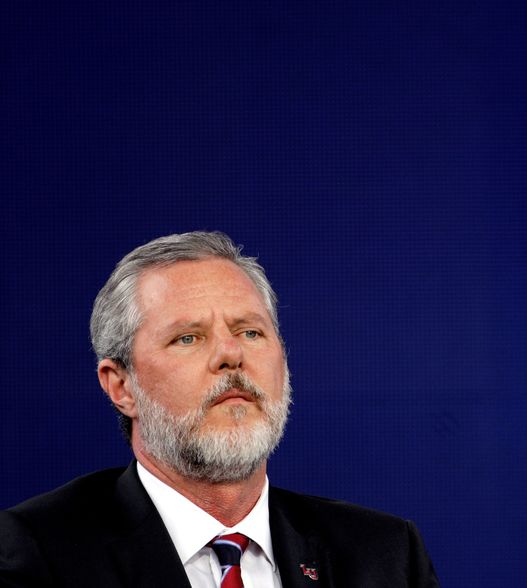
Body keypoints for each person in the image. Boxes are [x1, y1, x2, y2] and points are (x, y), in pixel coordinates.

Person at [0, 231, 439, 588]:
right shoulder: (39, 553)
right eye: (188, 338)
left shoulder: (386, 555)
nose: (231, 355)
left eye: (250, 332)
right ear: (121, 386)